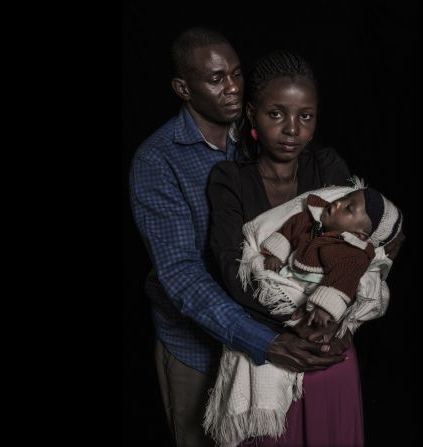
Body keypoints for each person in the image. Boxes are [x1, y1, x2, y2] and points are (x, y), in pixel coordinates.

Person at [129, 29, 345, 447]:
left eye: (236, 74)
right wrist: (263, 340)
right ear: (183, 89)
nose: (230, 87)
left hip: (276, 340)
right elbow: (180, 274)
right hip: (198, 347)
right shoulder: (158, 161)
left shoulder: (257, 133)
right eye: (215, 79)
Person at [206, 49, 404, 447]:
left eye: (306, 116)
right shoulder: (230, 179)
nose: (292, 129)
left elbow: (368, 251)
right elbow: (231, 266)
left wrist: (340, 324)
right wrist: (295, 323)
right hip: (270, 349)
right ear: (251, 113)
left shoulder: (327, 168)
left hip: (327, 350)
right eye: (276, 114)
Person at [259, 187, 403, 328]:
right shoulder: (310, 218)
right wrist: (275, 254)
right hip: (286, 275)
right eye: (343, 198)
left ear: (359, 235)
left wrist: (324, 307)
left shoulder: (352, 253)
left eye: (348, 208)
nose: (337, 203)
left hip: (315, 288)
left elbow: (343, 279)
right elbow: (290, 229)